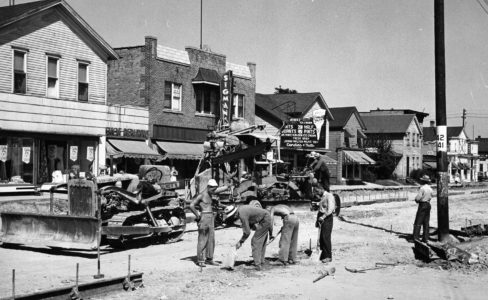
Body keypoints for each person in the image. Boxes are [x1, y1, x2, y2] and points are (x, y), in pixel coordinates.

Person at [189, 179, 229, 267]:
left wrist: (228, 185)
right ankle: (200, 260)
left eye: (215, 189)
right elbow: (191, 205)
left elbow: (220, 189)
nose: (214, 191)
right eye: (213, 189)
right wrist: (198, 215)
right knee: (203, 239)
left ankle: (209, 259)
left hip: (211, 217)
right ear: (208, 187)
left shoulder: (210, 193)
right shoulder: (202, 195)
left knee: (211, 239)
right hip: (204, 216)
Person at [224, 204, 273, 271]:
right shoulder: (241, 209)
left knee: (255, 241)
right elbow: (251, 221)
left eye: (232, 216)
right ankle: (261, 261)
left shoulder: (242, 215)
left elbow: (247, 232)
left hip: (264, 219)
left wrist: (240, 241)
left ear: (234, 214)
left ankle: (257, 265)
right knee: (261, 241)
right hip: (266, 217)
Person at [316, 187, 336, 263]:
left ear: (322, 189)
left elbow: (330, 209)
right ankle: (323, 255)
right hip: (322, 218)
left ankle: (328, 256)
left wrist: (323, 217)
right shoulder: (322, 197)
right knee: (321, 237)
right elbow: (321, 209)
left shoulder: (329, 196)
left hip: (327, 218)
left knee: (325, 237)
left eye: (317, 190)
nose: (316, 192)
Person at [413, 175, 433, 242]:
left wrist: (416, 200)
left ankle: (416, 238)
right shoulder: (430, 189)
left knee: (418, 221)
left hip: (422, 205)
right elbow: (431, 197)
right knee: (426, 222)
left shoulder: (422, 188)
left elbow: (418, 198)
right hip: (428, 204)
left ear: (423, 181)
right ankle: (425, 238)